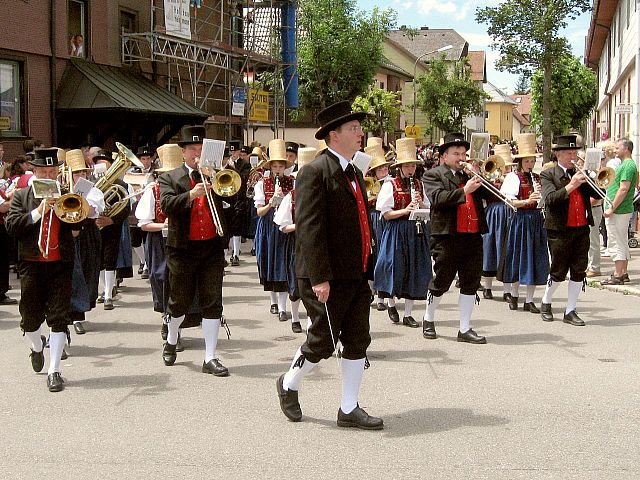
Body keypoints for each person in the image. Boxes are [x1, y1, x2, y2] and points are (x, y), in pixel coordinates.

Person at [276, 101, 383, 429]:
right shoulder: (314, 171)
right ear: (334, 136)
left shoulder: (353, 170)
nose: (361, 133)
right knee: (322, 340)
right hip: (325, 275)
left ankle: (348, 408)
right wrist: (320, 278)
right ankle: (288, 383)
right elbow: (308, 228)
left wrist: (369, 266)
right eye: (354, 129)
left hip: (355, 272)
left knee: (356, 338)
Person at [5, 148, 79, 392]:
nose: (49, 174)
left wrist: (78, 219)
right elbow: (12, 226)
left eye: (52, 171)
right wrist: (39, 211)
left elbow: (78, 222)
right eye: (44, 171)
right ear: (34, 171)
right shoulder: (22, 196)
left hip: (60, 263)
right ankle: (37, 346)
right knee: (29, 317)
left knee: (59, 317)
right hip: (31, 263)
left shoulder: (66, 194)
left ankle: (54, 370)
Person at [158, 125, 229, 376]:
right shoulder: (170, 177)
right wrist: (190, 194)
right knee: (179, 303)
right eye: (192, 150)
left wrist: (220, 182)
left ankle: (210, 357)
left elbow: (234, 199)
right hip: (183, 249)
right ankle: (172, 338)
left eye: (201, 149)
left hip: (211, 246)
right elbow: (166, 205)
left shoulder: (215, 174)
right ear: (184, 153)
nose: (197, 154)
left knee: (213, 302)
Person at [423, 132, 491, 344]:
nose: (461, 157)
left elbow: (491, 196)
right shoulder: (433, 175)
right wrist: (465, 191)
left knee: (471, 282)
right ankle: (428, 318)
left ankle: (465, 328)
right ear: (443, 156)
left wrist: (482, 178)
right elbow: (438, 199)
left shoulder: (469, 176)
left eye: (463, 153)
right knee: (442, 281)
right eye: (456, 153)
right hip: (447, 236)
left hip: (472, 236)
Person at [539, 135, 600, 326]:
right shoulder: (549, 174)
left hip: (581, 227)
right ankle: (546, 301)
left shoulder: (581, 174)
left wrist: (595, 179)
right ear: (558, 155)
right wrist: (572, 185)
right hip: (559, 229)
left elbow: (599, 195)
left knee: (578, 270)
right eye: (568, 153)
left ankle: (570, 310)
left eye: (575, 152)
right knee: (558, 269)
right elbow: (550, 200)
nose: (573, 156)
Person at [374, 137, 432, 328]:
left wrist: (420, 204)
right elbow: (386, 213)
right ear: (399, 167)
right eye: (407, 166)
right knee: (393, 267)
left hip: (415, 230)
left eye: (413, 166)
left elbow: (428, 208)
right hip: (397, 230)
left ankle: (408, 314)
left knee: (414, 269)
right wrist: (405, 210)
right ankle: (390, 304)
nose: (410, 170)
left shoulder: (419, 184)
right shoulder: (391, 185)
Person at [499, 133, 549, 313]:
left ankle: (529, 299)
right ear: (520, 162)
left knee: (535, 259)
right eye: (527, 161)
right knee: (518, 258)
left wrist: (540, 199)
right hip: (520, 220)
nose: (530, 164)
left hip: (536, 220)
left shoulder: (537, 178)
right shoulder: (514, 177)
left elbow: (543, 200)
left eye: (532, 161)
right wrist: (527, 200)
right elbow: (509, 201)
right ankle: (514, 295)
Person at [273, 146, 317, 333]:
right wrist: (301, 226)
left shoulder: (320, 195)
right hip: (296, 243)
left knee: (314, 281)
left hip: (316, 243)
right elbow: (283, 226)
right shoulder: (291, 197)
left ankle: (311, 320)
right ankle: (295, 317)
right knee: (296, 282)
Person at [254, 139, 295, 321]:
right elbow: (259, 212)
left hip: (285, 225)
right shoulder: (262, 184)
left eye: (281, 166)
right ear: (270, 166)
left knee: (283, 264)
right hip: (268, 225)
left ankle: (282, 307)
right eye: (275, 166)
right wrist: (271, 202)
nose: (278, 169)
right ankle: (273, 300)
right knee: (269, 262)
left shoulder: (292, 182)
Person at [65, 149, 105, 335]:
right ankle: (68, 312)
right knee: (70, 273)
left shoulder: (93, 189)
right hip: (66, 234)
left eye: (83, 172)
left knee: (87, 271)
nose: (81, 176)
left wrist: (78, 200)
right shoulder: (62, 189)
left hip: (87, 232)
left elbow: (92, 211)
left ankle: (79, 314)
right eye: (76, 172)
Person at [480, 144, 515, 301]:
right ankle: (487, 287)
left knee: (506, 250)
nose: (504, 169)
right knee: (489, 248)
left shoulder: (513, 178)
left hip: (509, 213)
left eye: (506, 166)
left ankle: (507, 290)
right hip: (492, 214)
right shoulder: (488, 178)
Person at [601, 138, 638, 285]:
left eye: (618, 148)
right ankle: (623, 272)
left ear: (626, 149)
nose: (615, 150)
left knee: (616, 242)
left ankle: (618, 274)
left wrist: (612, 208)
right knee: (621, 241)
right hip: (621, 210)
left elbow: (623, 189)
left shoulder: (628, 166)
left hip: (619, 210)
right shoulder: (625, 164)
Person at [363, 138, 392, 312]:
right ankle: (369, 290)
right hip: (370, 218)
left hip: (382, 220)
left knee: (383, 254)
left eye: (385, 168)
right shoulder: (368, 181)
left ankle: (382, 294)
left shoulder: (390, 182)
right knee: (370, 256)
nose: (383, 171)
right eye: (380, 169)